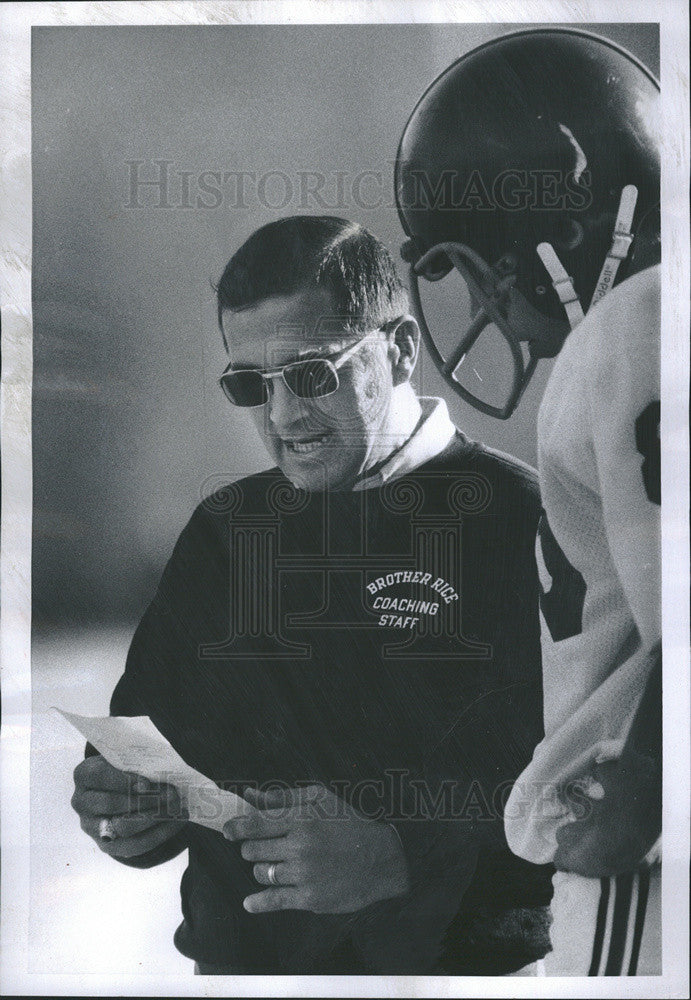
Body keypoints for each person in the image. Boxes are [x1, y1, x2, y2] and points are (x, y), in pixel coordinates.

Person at [71, 215, 553, 974]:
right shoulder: (227, 531)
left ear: (398, 350)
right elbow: (149, 747)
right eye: (249, 385)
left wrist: (402, 857)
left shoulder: (520, 520)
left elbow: (588, 792)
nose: (282, 415)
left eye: (311, 374)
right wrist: (123, 809)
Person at [394, 28, 661, 976]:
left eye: (480, 266)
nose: (483, 299)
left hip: (640, 856)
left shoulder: (642, 324)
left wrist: (647, 778)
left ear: (572, 228)